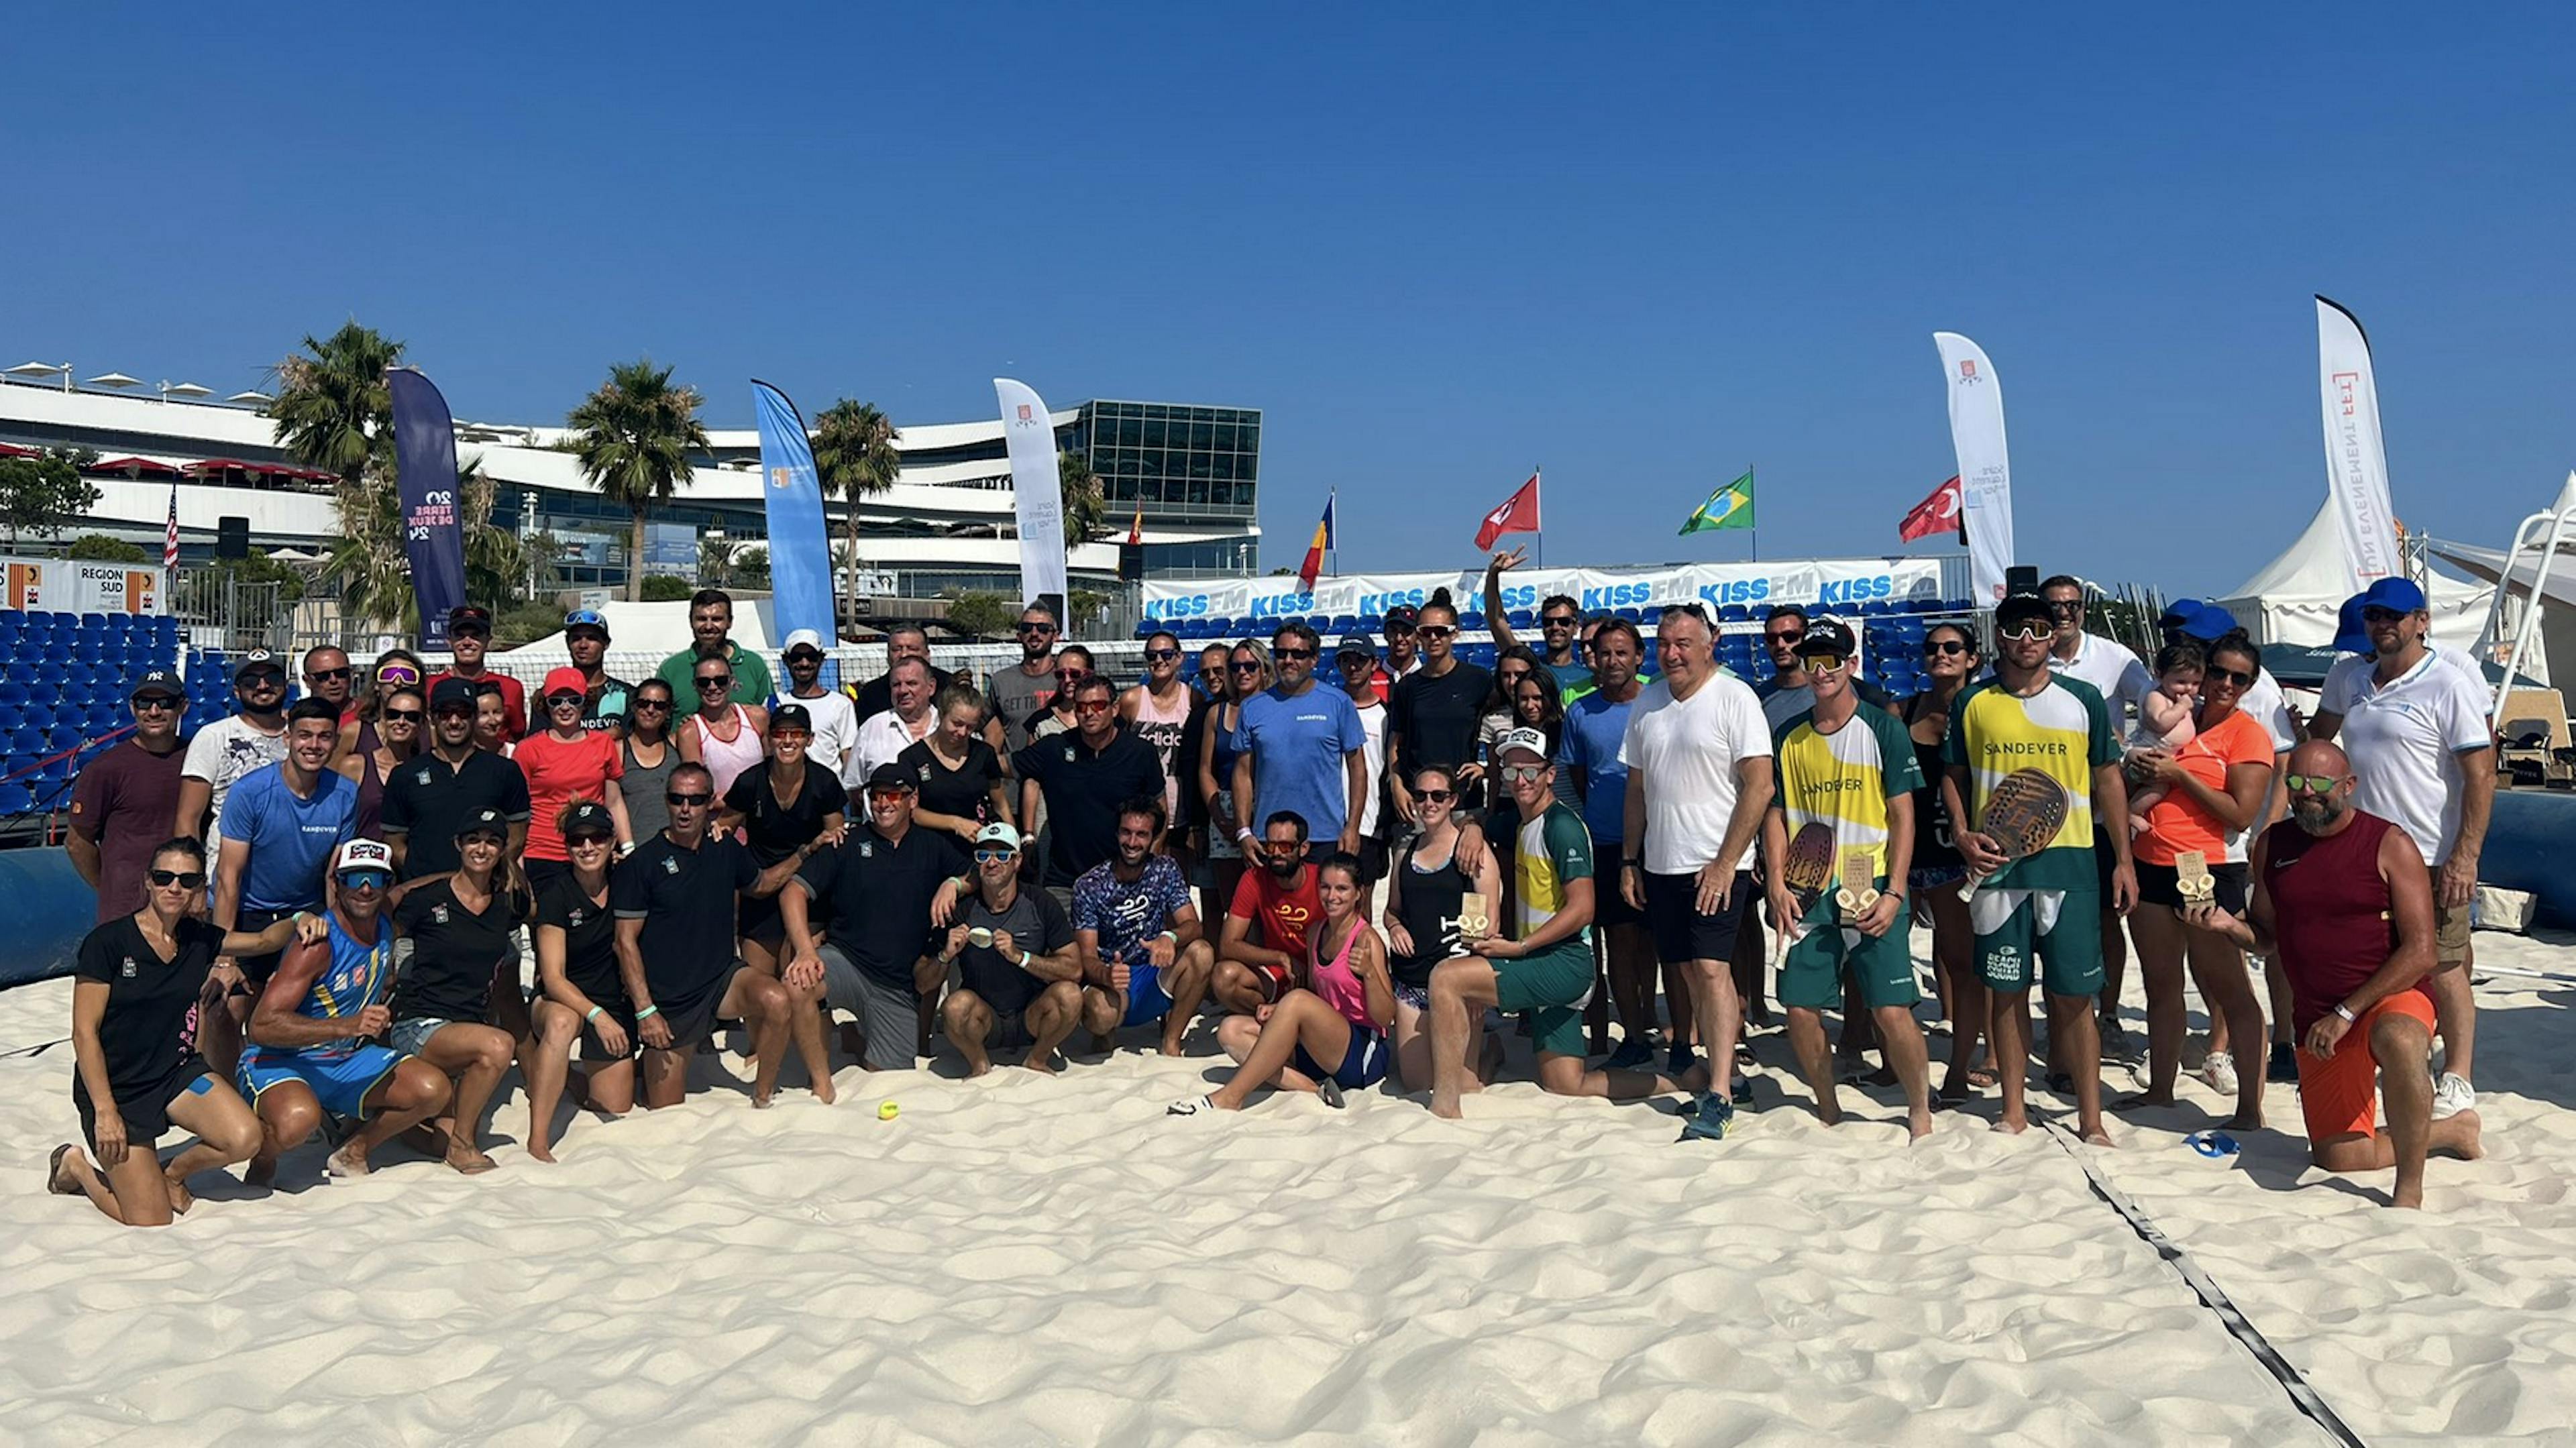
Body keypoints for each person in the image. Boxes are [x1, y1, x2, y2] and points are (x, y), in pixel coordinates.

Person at [2192, 741, 2483, 1209]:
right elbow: (2267, 937)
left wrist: (2349, 1011)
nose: (2308, 793)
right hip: (2318, 1013)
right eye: (2297, 783)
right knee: (2340, 1157)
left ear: (2349, 786)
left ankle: (2409, 1188)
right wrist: (2228, 925)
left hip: (2389, 996)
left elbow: (2423, 950)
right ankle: (2452, 1129)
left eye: (2321, 784)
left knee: (2402, 1039)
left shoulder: (2389, 843)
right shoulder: (2274, 844)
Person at [1942, 590, 2133, 1145]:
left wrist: (2123, 859)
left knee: (2075, 996)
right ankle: (2014, 1108)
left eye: (2038, 628)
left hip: (2071, 864)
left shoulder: (2083, 700)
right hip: (1997, 867)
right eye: (2016, 628)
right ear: (1999, 636)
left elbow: (2108, 779)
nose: (2028, 639)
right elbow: (1952, 774)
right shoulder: (1973, 703)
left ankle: (2091, 1119)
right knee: (2007, 991)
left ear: (2055, 636)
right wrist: (1960, 833)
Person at [46, 838, 318, 1226]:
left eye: (187, 880)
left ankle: (172, 1173)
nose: (175, 887)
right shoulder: (108, 943)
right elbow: (84, 1033)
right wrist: (105, 1111)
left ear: (198, 888)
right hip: (118, 1088)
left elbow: (261, 941)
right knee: (149, 1218)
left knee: (245, 1138)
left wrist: (297, 920)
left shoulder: (199, 938)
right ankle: (77, 1168)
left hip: (175, 1074)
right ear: (148, 883)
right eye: (165, 877)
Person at [2306, 577, 2495, 1121]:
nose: (2383, 624)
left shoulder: (2448, 684)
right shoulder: (2352, 679)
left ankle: (2458, 1072)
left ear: (2421, 621)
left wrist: (2466, 855)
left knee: (2444, 960)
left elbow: (2481, 776)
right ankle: (2394, 1049)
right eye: (2374, 615)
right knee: (2380, 956)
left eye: (2395, 615)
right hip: (2368, 846)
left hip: (2433, 849)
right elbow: (2318, 744)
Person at [1430, 729, 1680, 1117]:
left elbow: (1583, 910)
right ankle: (1679, 1083)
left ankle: (1446, 1101)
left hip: (1561, 963)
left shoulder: (1561, 826)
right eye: (1512, 773)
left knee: (1446, 978)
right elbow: (1478, 820)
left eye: (1531, 771)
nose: (1521, 781)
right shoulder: (1522, 820)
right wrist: (1476, 826)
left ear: (1550, 774)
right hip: (1545, 961)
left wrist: (1519, 947)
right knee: (1566, 1083)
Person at [1761, 620, 1933, 1139]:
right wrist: (1775, 881)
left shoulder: (1884, 728)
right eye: (1814, 661)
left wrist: (1896, 890)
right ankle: (1828, 1103)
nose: (1821, 670)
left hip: (1873, 884)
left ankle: (1919, 1107)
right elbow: (1774, 813)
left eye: (1832, 660)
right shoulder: (1789, 737)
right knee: (1798, 1006)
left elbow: (1903, 816)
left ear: (1851, 665)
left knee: (1890, 1009)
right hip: (1808, 888)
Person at [1620, 604, 1775, 1139]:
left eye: (1684, 642)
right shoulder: (1648, 700)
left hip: (1717, 865)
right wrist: (1630, 859)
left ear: (1710, 643)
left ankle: (1721, 1093)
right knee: (1688, 974)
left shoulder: (1735, 698)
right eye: (1665, 643)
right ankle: (1723, 1069)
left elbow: (1760, 785)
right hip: (1661, 863)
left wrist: (1727, 862)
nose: (1672, 653)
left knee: (1712, 972)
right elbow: (1637, 789)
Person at [2118, 632, 2273, 1127]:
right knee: (2161, 984)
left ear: (2250, 684)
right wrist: (2134, 768)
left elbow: (2243, 813)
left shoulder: (2248, 734)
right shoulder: (2175, 712)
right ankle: (2160, 1089)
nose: (2226, 682)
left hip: (2206, 866)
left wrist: (2181, 776)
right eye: (2219, 671)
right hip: (2151, 860)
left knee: (2229, 987)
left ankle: (2250, 1107)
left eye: (2239, 677)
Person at [235, 840, 454, 1184]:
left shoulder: (383, 917)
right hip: (281, 1059)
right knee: (296, 1123)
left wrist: (477, 869)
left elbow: (414, 886)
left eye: (375, 879)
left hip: (343, 1059)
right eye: (354, 879)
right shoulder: (317, 944)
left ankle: (354, 1147)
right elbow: (261, 1026)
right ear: (336, 884)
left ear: (386, 885)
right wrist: (347, 1026)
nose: (365, 889)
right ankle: (264, 1157)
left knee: (433, 1090)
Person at [613, 763, 808, 1109]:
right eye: (677, 799)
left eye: (696, 800)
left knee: (777, 1000)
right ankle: (636, 1067)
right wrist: (646, 1012)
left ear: (710, 804)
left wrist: (805, 853)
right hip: (671, 1002)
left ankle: (763, 1098)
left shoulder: (725, 847)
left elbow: (761, 884)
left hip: (721, 980)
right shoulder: (642, 863)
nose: (686, 809)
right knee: (661, 1110)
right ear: (666, 801)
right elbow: (624, 942)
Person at [203, 699, 360, 1078]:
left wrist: (341, 939)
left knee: (297, 1011)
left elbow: (333, 876)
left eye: (325, 737)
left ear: (336, 741)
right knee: (226, 1007)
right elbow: (228, 877)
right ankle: (225, 1094)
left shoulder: (344, 793)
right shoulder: (250, 792)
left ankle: (299, 1085)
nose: (314, 745)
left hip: (304, 913)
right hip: (248, 911)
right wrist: (224, 960)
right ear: (288, 738)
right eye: (305, 735)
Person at [1558, 620, 1687, 1075]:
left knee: (1670, 945)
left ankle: (1683, 1040)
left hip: (1665, 840)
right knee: (1619, 943)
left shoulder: (1662, 702)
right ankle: (1633, 1036)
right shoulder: (1581, 712)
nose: (1613, 661)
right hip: (1608, 843)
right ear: (1593, 656)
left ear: (1638, 656)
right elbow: (1578, 776)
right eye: (1604, 652)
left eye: (1622, 652)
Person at [1171, 852, 1394, 1115]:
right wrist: (1279, 1009)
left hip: (1361, 1051)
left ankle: (1232, 1095)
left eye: (1342, 889)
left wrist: (1369, 974)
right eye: (1325, 887)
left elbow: (1386, 1016)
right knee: (1231, 1030)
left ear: (1358, 894)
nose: (1332, 896)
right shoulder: (1316, 932)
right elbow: (1316, 993)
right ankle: (1314, 1089)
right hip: (1321, 1045)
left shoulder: (1366, 940)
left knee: (1297, 1000)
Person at [782, 764, 965, 1072]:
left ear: (913, 799)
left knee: (888, 1077)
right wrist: (805, 951)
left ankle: (854, 1037)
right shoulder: (847, 842)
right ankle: (821, 1079)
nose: (883, 803)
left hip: (896, 986)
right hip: (846, 962)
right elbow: (792, 893)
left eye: (893, 795)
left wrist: (954, 883)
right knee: (798, 981)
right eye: (877, 795)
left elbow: (975, 873)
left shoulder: (933, 847)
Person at [386, 807, 528, 1174]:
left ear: (502, 850)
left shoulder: (504, 906)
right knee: (498, 1045)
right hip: (419, 1023)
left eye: (493, 841)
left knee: (437, 1143)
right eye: (474, 840)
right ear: (459, 845)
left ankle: (373, 1126)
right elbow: (380, 946)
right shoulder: (425, 900)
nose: (482, 849)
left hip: (466, 1030)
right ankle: (464, 1147)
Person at [1904, 622, 1988, 1102]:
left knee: (1964, 964)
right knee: (1889, 961)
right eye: (1933, 647)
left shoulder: (1986, 709)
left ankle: (1963, 1066)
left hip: (1962, 856)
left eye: (1953, 647)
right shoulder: (1903, 710)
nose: (1942, 653)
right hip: (1910, 852)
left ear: (1972, 657)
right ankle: (1898, 1061)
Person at [523, 802, 633, 1161]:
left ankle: (567, 1077)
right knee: (562, 1021)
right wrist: (597, 1016)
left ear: (613, 840)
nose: (588, 847)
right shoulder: (556, 894)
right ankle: (538, 1138)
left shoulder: (628, 882)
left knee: (614, 1104)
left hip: (613, 1001)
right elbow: (553, 979)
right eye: (577, 840)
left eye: (598, 837)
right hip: (563, 1000)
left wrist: (718, 830)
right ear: (567, 845)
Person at [726, 703, 849, 1019]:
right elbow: (725, 828)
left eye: (797, 734)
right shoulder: (750, 781)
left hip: (807, 892)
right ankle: (758, 1054)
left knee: (801, 979)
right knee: (761, 993)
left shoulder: (824, 782)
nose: (788, 741)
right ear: (769, 739)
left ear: (810, 739)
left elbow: (836, 838)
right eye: (780, 733)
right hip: (761, 889)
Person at [1380, 765, 1501, 1089]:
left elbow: (1488, 924)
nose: (1429, 803)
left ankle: (1491, 1054)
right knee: (1418, 1084)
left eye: (1438, 796)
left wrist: (1474, 981)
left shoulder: (1470, 850)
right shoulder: (1405, 852)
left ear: (1452, 801)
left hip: (1457, 983)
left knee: (1463, 1086)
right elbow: (1392, 910)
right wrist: (1394, 928)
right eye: (1421, 796)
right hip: (1412, 982)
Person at [934, 822, 1084, 1076]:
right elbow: (923, 982)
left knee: (1070, 995)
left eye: (1003, 855)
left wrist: (1021, 957)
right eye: (984, 855)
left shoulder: (1040, 902)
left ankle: (1037, 1059)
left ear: (1017, 861)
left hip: (1033, 1016)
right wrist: (945, 955)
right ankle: (980, 1065)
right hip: (986, 1021)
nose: (992, 863)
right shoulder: (963, 910)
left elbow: (1074, 969)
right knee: (954, 1007)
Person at [1073, 795, 1216, 1058]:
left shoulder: (1166, 869)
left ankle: (1171, 1040)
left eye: (1141, 835)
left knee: (1202, 952)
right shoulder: (1089, 885)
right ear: (1116, 833)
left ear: (1153, 838)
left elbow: (1193, 926)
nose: (1132, 842)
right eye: (1126, 833)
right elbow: (1086, 956)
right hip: (1114, 980)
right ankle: (1104, 1036)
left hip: (1154, 973)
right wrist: (1106, 974)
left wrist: (1169, 936)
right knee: (1098, 1012)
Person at [1016, 673, 1171, 908]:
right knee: (1064, 946)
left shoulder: (1140, 753)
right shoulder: (1055, 748)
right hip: (1066, 884)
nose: (1089, 713)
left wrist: (1146, 859)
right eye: (1081, 707)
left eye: (1098, 705)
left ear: (1115, 709)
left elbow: (1160, 809)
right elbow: (999, 766)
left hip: (1123, 881)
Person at [1232, 621, 1368, 869]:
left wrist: (1352, 827)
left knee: (1327, 907)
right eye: (1281, 653)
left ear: (1314, 659)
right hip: (1270, 837)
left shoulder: (1338, 703)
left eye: (1298, 654)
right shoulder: (1252, 708)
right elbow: (1243, 774)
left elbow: (1358, 769)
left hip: (1326, 836)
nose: (1288, 660)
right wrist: (1243, 831)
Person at [69, 669, 191, 924]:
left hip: (187, 910)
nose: (154, 711)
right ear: (133, 708)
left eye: (165, 703)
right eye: (145, 703)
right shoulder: (105, 768)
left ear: (183, 706)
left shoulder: (198, 760)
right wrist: (109, 887)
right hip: (127, 914)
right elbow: (77, 842)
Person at [382, 678, 532, 882]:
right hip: (424, 895)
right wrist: (422, 873)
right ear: (432, 718)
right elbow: (394, 841)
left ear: (475, 717)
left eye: (463, 712)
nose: (454, 721)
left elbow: (517, 833)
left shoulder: (505, 770)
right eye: (445, 713)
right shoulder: (404, 775)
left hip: (487, 892)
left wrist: (488, 870)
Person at [513, 667, 635, 895]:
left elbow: (614, 801)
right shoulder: (527, 749)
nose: (565, 707)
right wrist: (515, 858)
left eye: (574, 700)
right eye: (556, 701)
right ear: (546, 705)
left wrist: (628, 849)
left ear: (584, 703)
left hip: (593, 850)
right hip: (543, 853)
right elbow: (518, 809)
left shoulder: (603, 744)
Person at [1387, 590, 1492, 818]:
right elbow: (1396, 743)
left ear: (1455, 634)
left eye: (1441, 631)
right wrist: (1397, 785)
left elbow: (1503, 726)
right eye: (1426, 632)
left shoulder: (1478, 680)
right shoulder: (1407, 687)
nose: (1433, 638)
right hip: (1419, 804)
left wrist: (1488, 769)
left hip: (1464, 804)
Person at [1214, 811, 1325, 1013]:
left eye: (1285, 846)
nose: (1276, 853)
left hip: (1320, 973)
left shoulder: (1323, 881)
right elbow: (1228, 945)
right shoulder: (1254, 879)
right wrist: (1281, 958)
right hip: (1278, 971)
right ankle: (1274, 1019)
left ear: (1304, 848)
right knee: (1224, 976)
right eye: (1270, 846)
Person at [174, 650, 289, 840]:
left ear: (285, 685)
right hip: (225, 863)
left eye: (273, 678)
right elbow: (188, 817)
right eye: (251, 682)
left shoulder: (305, 738)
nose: (263, 685)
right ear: (237, 691)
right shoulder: (213, 736)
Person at [1197, 640, 1268, 930]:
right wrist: (1218, 814)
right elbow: (1205, 769)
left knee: (1267, 901)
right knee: (1233, 905)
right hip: (1225, 809)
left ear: (1263, 669)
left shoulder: (1276, 707)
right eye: (1236, 667)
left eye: (1250, 666)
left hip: (1265, 807)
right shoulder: (1217, 713)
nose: (1242, 672)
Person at [902, 681, 1013, 844]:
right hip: (930, 845)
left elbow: (1000, 803)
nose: (962, 732)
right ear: (942, 715)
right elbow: (912, 812)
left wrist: (1012, 841)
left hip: (976, 846)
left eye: (970, 727)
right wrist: (956, 823)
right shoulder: (913, 757)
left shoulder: (983, 754)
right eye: (957, 724)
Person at [1331, 631, 1391, 909]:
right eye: (1346, 660)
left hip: (1369, 824)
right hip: (1329, 821)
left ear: (1374, 664)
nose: (1353, 666)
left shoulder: (1386, 716)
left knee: (1361, 906)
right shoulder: (1329, 709)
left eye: (1360, 659)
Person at [1483, 548, 1594, 695]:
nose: (1555, 627)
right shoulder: (1529, 666)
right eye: (1548, 622)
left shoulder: (1589, 677)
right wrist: (1493, 574)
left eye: (1563, 622)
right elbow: (1496, 619)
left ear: (1576, 627)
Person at [2123, 643, 2206, 827]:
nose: (2188, 689)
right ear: (2159, 675)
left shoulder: (2187, 701)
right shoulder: (2156, 697)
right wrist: (2182, 707)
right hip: (2143, 751)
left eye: (2196, 683)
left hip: (2162, 755)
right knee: (2159, 788)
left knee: (2162, 786)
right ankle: (2131, 812)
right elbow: (2160, 723)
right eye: (2181, 682)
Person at [1122, 629, 1195, 829]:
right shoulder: (1132, 700)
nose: (1159, 660)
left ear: (1180, 658)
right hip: (1140, 815)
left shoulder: (1193, 699)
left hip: (1181, 813)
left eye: (1167, 654)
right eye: (1152, 656)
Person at [653, 588, 774, 706]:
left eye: (717, 619)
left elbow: (770, 714)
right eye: (702, 619)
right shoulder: (671, 669)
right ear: (691, 621)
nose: (708, 626)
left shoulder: (754, 665)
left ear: (730, 622)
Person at [333, 683, 421, 842]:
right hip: (361, 861)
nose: (401, 722)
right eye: (393, 714)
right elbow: (334, 821)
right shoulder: (354, 766)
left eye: (411, 717)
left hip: (407, 862)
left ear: (422, 724)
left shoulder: (425, 770)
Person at [427, 605, 527, 740]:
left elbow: (517, 736)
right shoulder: (430, 686)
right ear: (449, 641)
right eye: (460, 636)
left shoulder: (511, 688)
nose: (467, 642)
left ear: (488, 641)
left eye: (476, 636)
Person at [678, 653, 768, 802]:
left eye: (721, 681)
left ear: (732, 681)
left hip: (761, 819)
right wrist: (744, 804)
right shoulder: (690, 733)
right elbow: (699, 793)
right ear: (695, 685)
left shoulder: (758, 718)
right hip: (719, 821)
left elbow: (774, 770)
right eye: (704, 682)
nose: (712, 688)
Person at [778, 629, 863, 786]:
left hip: (829, 793)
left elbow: (848, 754)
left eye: (811, 657)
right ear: (786, 661)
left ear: (821, 660)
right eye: (797, 657)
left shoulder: (841, 704)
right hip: (787, 793)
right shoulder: (776, 703)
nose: (804, 663)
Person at [847, 622, 959, 724]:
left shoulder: (949, 686)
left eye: (912, 649)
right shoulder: (871, 694)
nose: (904, 655)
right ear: (888, 655)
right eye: (897, 649)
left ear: (927, 655)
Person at [853, 657, 941, 783]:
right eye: (896, 685)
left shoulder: (947, 725)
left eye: (912, 683)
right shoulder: (871, 728)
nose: (903, 691)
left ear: (931, 687)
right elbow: (855, 786)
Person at [988, 603, 1061, 754]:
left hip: (1055, 774)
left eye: (1043, 629)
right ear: (1019, 636)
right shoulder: (1000, 681)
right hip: (1012, 774)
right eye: (1027, 628)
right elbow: (992, 731)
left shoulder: (1066, 680)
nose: (1035, 633)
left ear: (1055, 636)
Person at [617, 678, 680, 844]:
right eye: (644, 704)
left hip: (677, 847)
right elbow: (612, 803)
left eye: (659, 706)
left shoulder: (678, 745)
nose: (650, 710)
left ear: (668, 711)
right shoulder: (618, 750)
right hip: (636, 851)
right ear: (634, 706)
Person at [561, 609, 635, 734]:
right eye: (576, 639)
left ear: (606, 644)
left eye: (592, 638)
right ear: (568, 644)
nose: (583, 645)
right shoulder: (552, 697)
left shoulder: (628, 695)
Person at [1375, 602, 1423, 700]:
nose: (1399, 638)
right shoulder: (1369, 680)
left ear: (1418, 636)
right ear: (1385, 635)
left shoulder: (1430, 678)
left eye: (1407, 631)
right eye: (1393, 631)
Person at [300, 645, 359, 723]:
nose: (333, 680)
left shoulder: (370, 715)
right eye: (323, 676)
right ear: (307, 681)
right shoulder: (297, 718)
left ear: (351, 675)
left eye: (341, 673)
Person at [474, 683, 515, 759]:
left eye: (497, 712)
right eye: (484, 714)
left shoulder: (514, 753)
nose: (493, 721)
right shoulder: (457, 755)